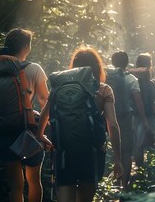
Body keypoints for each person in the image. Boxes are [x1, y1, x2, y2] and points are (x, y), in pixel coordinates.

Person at [37, 47, 123, 202]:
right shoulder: (103, 90)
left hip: (64, 150)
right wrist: (118, 159)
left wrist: (40, 135)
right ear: (97, 67)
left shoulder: (60, 88)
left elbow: (45, 113)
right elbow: (113, 126)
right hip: (91, 152)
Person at [0, 28, 49, 202]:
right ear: (26, 47)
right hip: (27, 132)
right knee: (33, 181)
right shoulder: (34, 68)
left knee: (16, 185)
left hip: (3, 131)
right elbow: (45, 99)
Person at [108, 51, 151, 190]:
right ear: (127, 63)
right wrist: (145, 122)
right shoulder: (131, 79)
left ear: (113, 61)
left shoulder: (106, 77)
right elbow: (138, 103)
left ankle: (109, 180)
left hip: (107, 118)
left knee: (113, 149)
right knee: (126, 151)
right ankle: (124, 185)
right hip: (125, 118)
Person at [131, 53, 155, 167]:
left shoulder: (132, 82)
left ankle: (139, 167)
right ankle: (151, 168)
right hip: (150, 117)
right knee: (150, 140)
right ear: (150, 65)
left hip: (135, 116)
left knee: (138, 144)